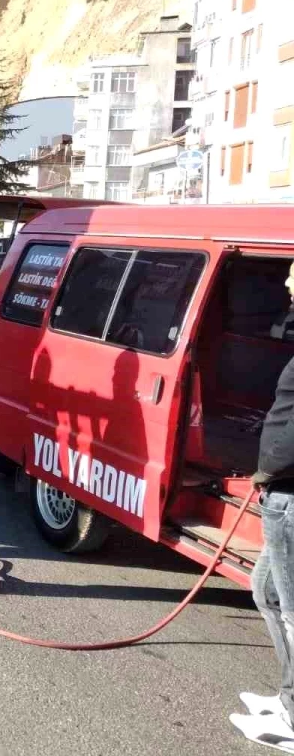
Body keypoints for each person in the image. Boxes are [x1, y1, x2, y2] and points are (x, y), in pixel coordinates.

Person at [232, 263, 294, 747]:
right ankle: (288, 693)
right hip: (281, 492)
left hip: (289, 494)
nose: (288, 290)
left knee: (291, 608)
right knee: (266, 592)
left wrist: (267, 472)